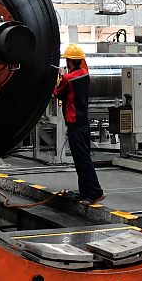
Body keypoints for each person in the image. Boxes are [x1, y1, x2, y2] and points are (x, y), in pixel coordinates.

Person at [53, 44, 104, 204]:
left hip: (74, 123)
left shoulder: (67, 79)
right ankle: (85, 193)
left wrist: (61, 76)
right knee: (82, 158)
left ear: (69, 61)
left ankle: (95, 192)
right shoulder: (85, 74)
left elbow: (57, 93)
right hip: (83, 122)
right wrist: (65, 74)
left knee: (82, 160)